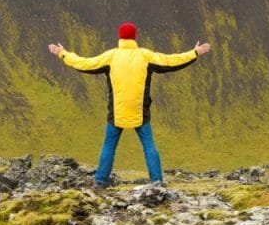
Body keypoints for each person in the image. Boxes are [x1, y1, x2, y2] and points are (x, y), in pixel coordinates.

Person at [48, 23, 211, 187]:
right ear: (135, 37)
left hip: (117, 111)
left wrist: (62, 53)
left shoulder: (111, 56)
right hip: (140, 110)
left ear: (120, 37)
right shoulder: (145, 56)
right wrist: (195, 52)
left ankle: (100, 181)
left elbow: (84, 64)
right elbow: (170, 61)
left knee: (109, 146)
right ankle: (157, 181)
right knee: (149, 145)